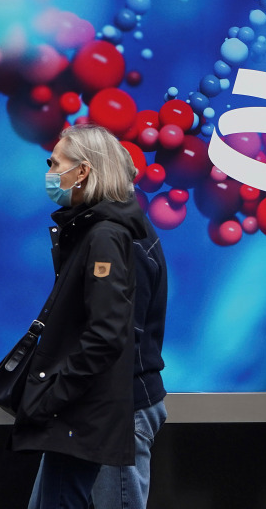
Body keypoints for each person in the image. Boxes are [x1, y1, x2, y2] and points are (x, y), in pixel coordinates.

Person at [11, 124, 148, 509]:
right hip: (76, 413)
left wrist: (53, 395)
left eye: (55, 163)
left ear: (83, 171)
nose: (50, 172)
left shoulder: (104, 235)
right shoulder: (90, 231)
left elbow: (106, 333)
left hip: (78, 413)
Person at [91, 213, 168, 509]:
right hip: (90, 406)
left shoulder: (120, 236)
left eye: (57, 163)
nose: (52, 172)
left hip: (119, 406)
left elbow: (116, 338)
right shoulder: (96, 230)